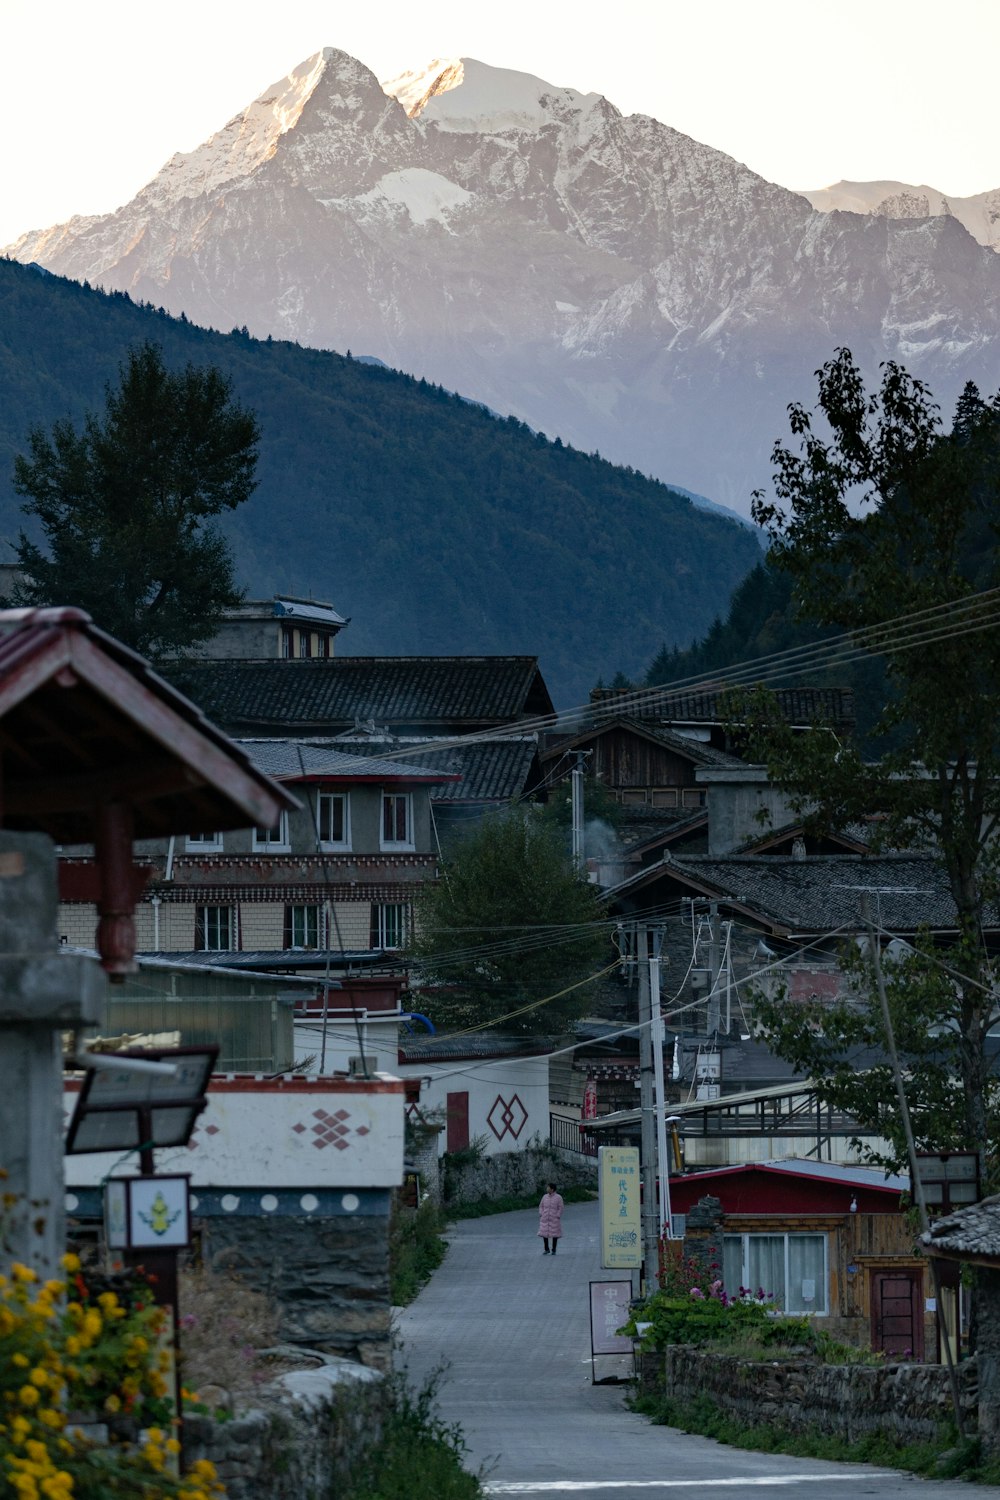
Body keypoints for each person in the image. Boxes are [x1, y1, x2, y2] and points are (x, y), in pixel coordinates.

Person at [538, 1181, 564, 1255]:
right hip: (545, 1218)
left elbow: (561, 1207)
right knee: (544, 1234)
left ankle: (554, 1249)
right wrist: (541, 1213)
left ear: (552, 1189)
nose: (547, 1189)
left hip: (554, 1218)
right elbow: (541, 1206)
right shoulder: (544, 1197)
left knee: (554, 1234)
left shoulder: (558, 1197)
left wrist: (558, 1215)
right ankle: (546, 1249)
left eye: (548, 1187)